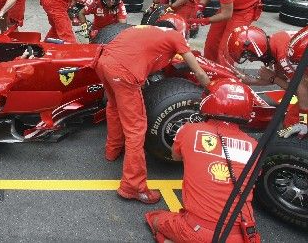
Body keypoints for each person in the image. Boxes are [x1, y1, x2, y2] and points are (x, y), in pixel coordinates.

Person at [95, 21, 210, 204]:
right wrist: (212, 90)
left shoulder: (145, 29)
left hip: (103, 62)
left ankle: (112, 151)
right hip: (123, 72)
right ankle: (132, 187)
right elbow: (200, 74)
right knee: (136, 130)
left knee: (114, 108)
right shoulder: (175, 36)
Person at [145, 78, 260, 243]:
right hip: (244, 235)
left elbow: (175, 156)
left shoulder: (189, 131)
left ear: (210, 101)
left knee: (155, 218)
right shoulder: (255, 146)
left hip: (199, 231)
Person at [227, 25, 308, 136]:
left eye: (249, 57)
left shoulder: (283, 57)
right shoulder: (276, 40)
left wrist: (304, 121)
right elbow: (281, 76)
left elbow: (300, 91)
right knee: (291, 119)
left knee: (295, 124)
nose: (250, 61)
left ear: (256, 50)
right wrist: (250, 80)